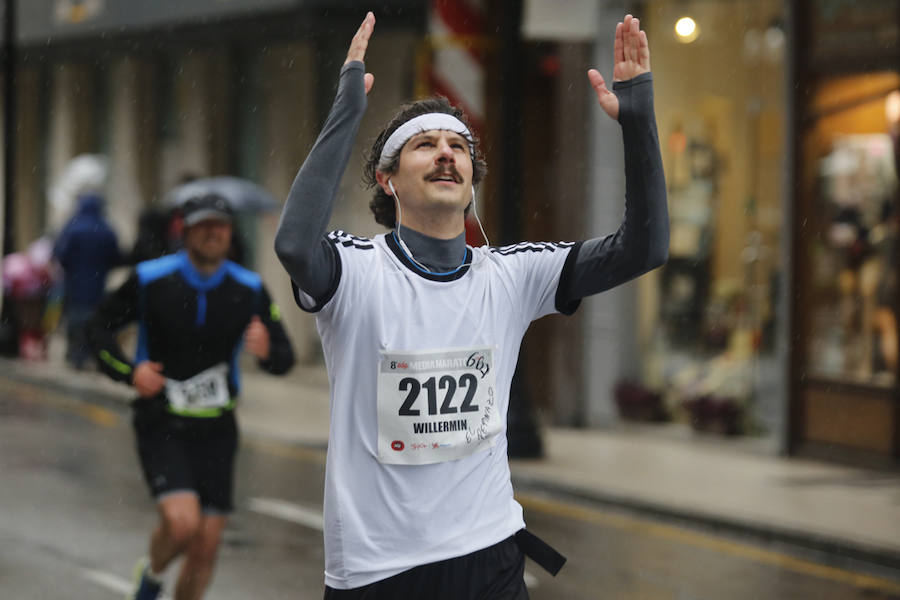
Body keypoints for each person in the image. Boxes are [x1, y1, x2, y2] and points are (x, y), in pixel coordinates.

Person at [274, 11, 667, 599]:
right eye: (423, 144)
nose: (445, 154)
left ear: (471, 178)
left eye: (457, 145)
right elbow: (293, 244)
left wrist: (636, 119)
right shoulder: (355, 269)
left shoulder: (510, 276)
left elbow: (644, 247)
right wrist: (347, 112)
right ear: (388, 180)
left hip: (489, 555)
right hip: (380, 569)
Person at [87, 193, 295, 600]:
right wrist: (131, 373)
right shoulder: (151, 279)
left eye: (220, 226)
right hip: (161, 420)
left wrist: (267, 349)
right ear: (185, 231)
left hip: (218, 428)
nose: (212, 233)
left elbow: (284, 358)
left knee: (205, 546)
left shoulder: (248, 288)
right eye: (203, 226)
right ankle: (153, 572)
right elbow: (97, 328)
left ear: (231, 233)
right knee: (183, 525)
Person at [53, 192, 122, 369]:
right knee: (93, 320)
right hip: (97, 285)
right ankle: (90, 355)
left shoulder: (72, 227)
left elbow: (60, 254)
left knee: (75, 319)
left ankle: (76, 356)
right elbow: (116, 256)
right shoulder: (106, 229)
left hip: (74, 284)